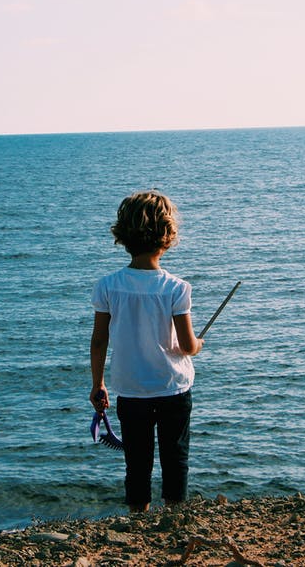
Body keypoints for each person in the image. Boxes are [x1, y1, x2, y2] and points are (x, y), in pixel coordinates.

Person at [90, 190, 203, 513]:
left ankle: (137, 516)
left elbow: (99, 341)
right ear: (167, 238)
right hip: (173, 386)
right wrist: (199, 346)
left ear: (123, 236)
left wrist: (98, 384)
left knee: (136, 458)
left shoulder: (108, 285)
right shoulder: (176, 288)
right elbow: (186, 346)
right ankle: (174, 514)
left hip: (131, 388)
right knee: (175, 454)